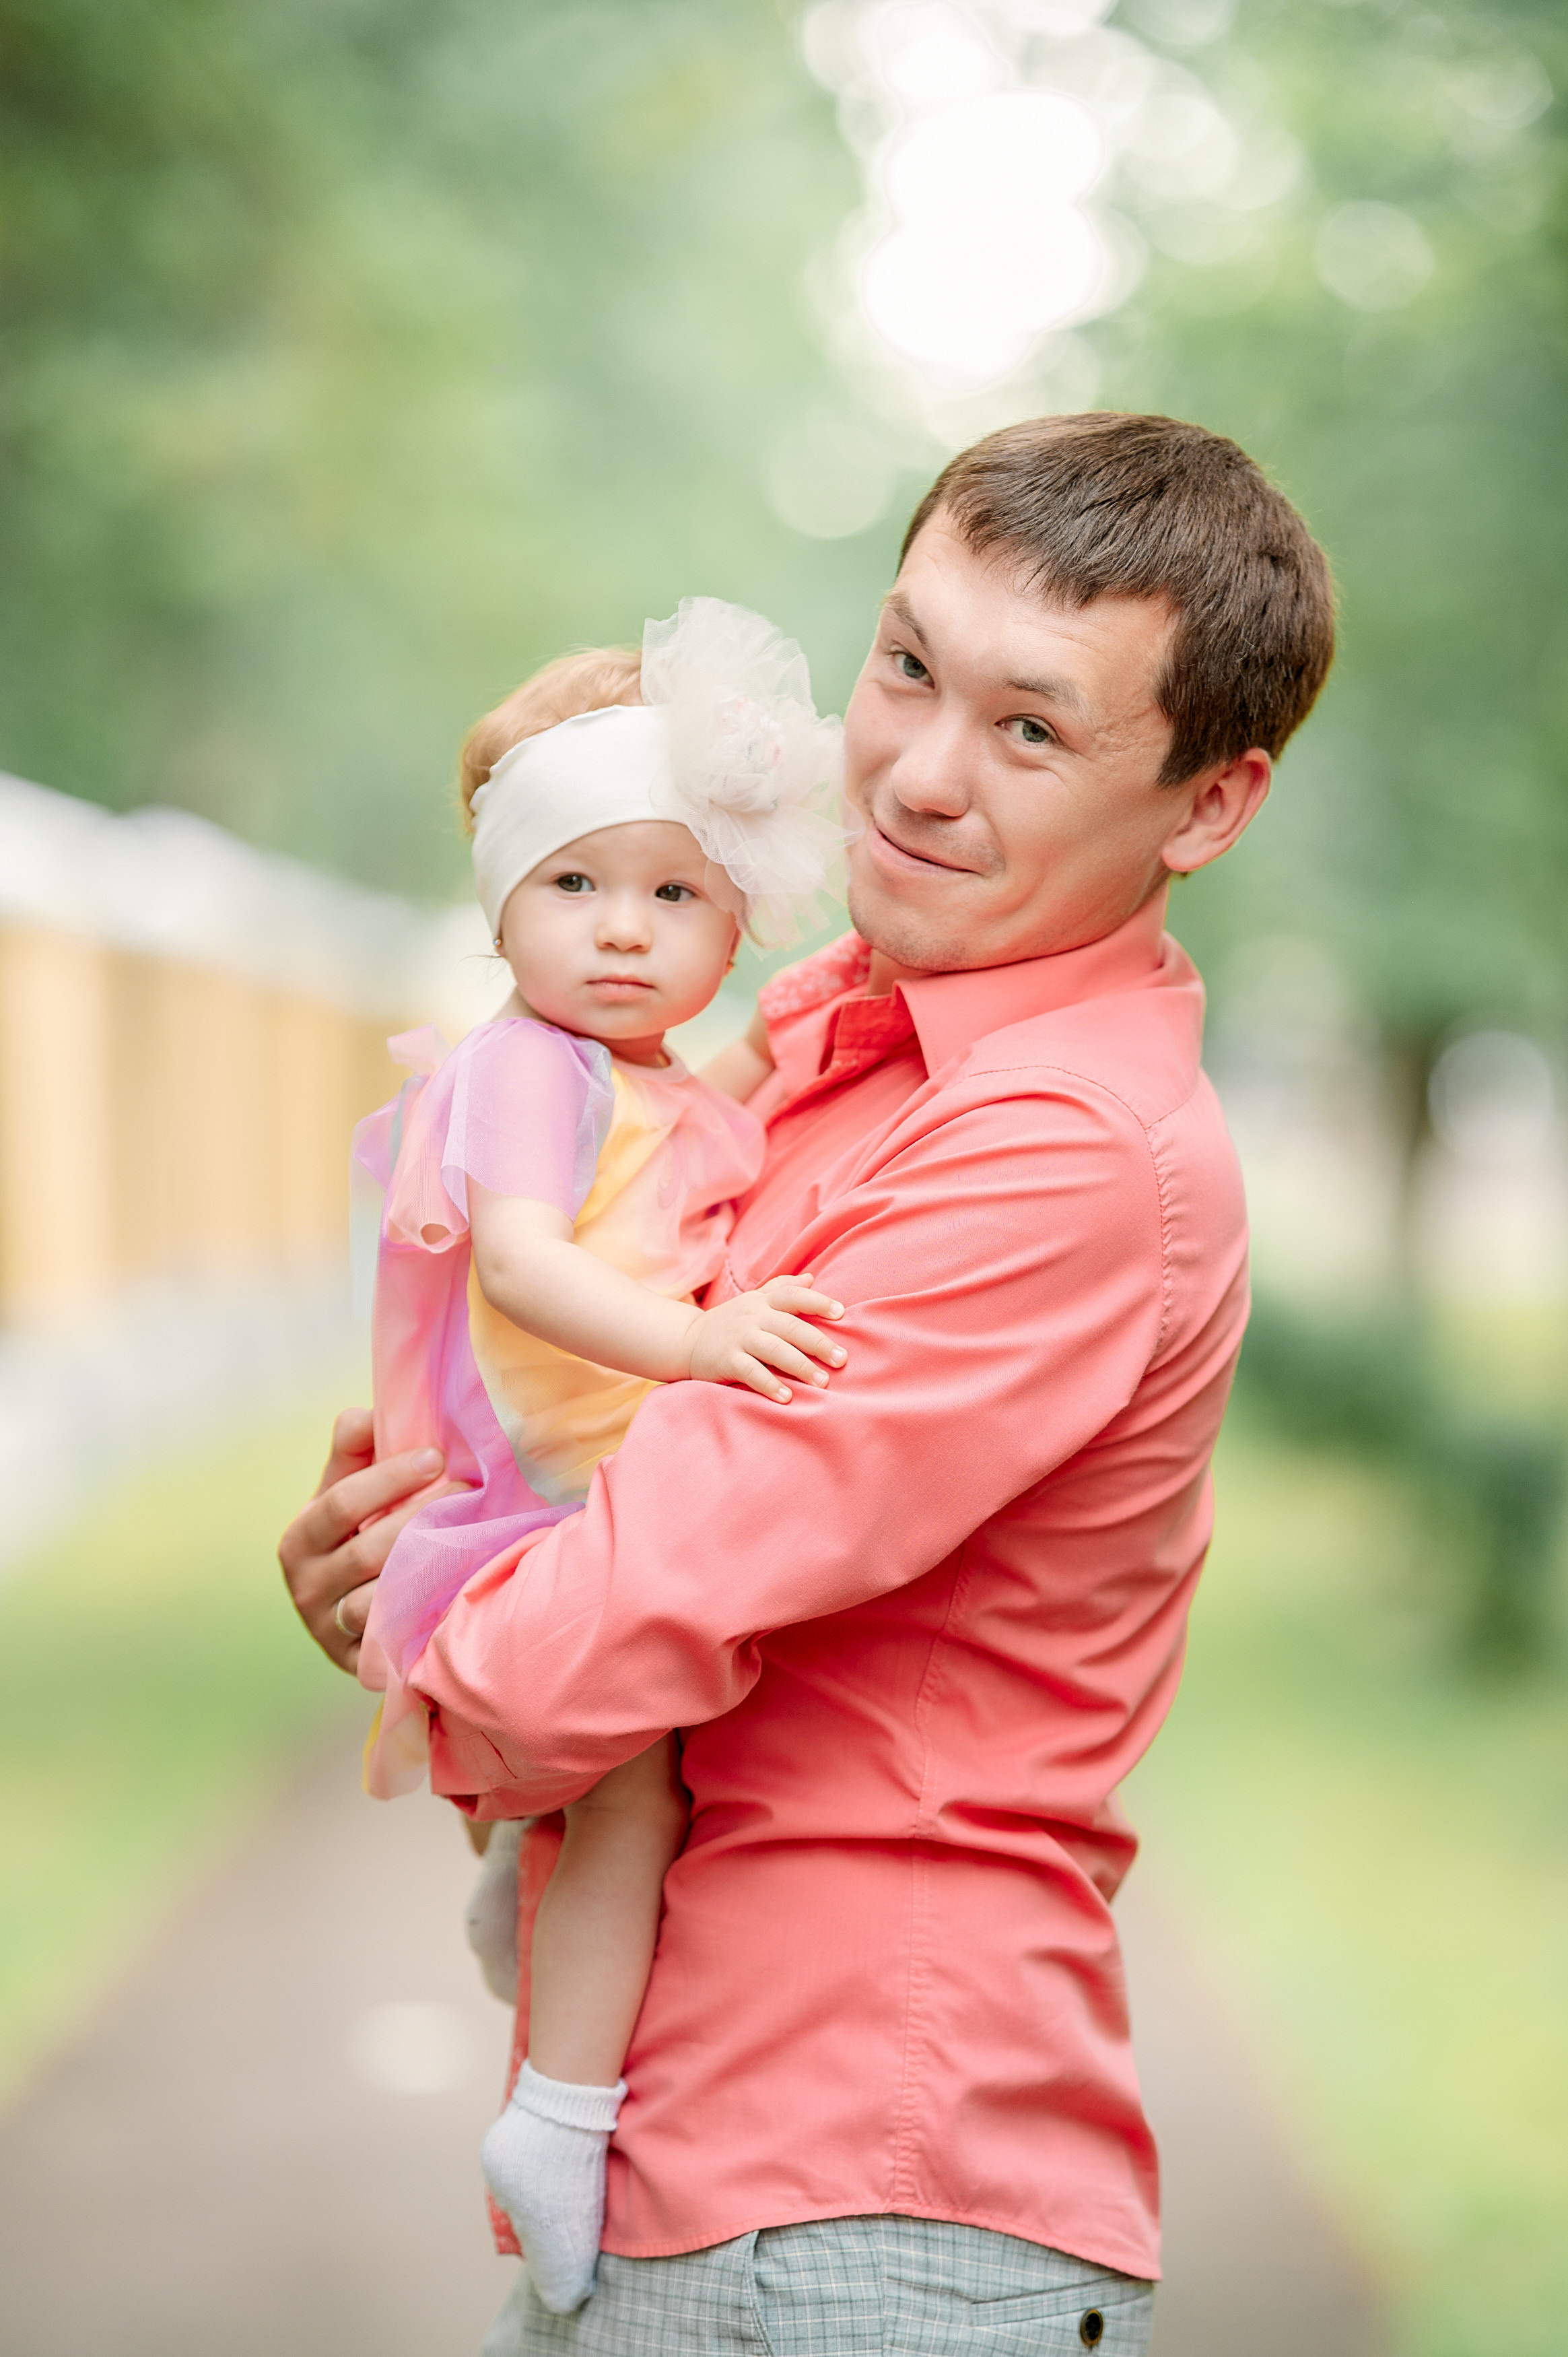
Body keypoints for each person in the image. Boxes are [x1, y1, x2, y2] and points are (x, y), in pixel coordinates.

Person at [281, 413, 1335, 2356]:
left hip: (853, 2206)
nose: (918, 773)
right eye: (908, 665)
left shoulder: (1057, 1147)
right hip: (690, 2180)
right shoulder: (818, 1053)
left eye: (1031, 730)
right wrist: (410, 1549)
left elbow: (600, 1625)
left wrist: (436, 1624)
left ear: (1207, 804)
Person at [353, 596, 850, 2311]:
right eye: (576, 886)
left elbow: (677, 1132)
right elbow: (525, 1260)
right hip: (554, 1486)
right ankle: (557, 2121)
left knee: (639, 1780)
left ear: (734, 918)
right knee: (639, 1788)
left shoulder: (636, 1072)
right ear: (503, 901)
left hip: (609, 1470)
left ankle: (524, 1890)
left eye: (675, 894)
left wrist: (791, 1034)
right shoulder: (521, 1068)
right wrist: (704, 1344)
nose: (625, 933)